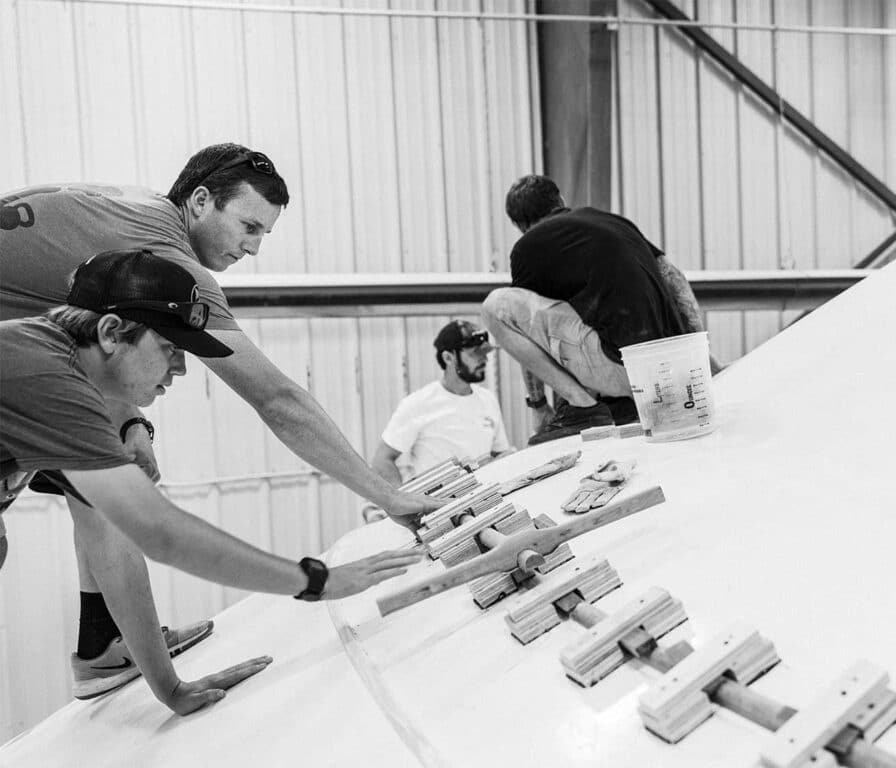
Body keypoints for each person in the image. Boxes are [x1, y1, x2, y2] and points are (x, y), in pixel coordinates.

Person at [0, 144, 440, 705]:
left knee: (107, 473)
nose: (253, 248)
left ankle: (103, 643)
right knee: (113, 485)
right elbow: (277, 400)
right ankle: (106, 645)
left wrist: (131, 419)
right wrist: (381, 500)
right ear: (202, 201)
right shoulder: (173, 266)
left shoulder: (128, 213)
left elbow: (86, 332)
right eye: (249, 226)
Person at [481, 174, 716, 445]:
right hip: (677, 370)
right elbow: (673, 277)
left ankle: (582, 407)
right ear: (561, 200)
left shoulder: (528, 248)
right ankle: (614, 401)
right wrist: (703, 359)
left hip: (625, 371)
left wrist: (537, 405)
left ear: (519, 224)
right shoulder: (615, 222)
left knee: (495, 307)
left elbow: (525, 328)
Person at [370, 320, 514, 488]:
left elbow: (499, 454)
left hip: (483, 501)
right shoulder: (418, 404)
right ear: (448, 357)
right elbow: (382, 460)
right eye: (475, 353)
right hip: (438, 505)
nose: (484, 360)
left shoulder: (488, 400)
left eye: (485, 352)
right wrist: (402, 502)